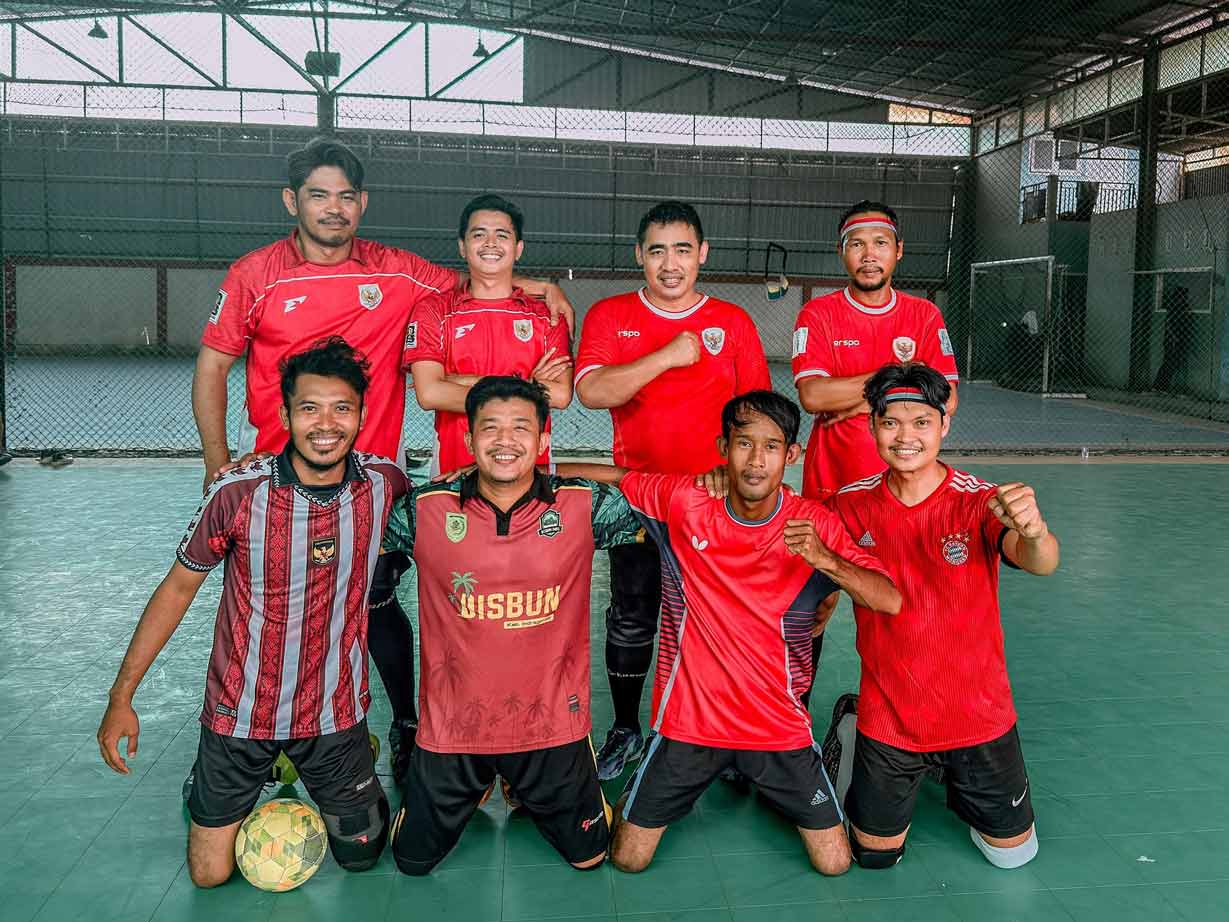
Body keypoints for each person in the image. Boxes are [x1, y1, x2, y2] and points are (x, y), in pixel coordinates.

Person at [191, 136, 574, 778]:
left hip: (369, 483)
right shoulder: (254, 275)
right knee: (266, 608)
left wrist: (536, 286)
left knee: (372, 600)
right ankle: (246, 740)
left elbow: (474, 278)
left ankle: (400, 723)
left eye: (346, 197)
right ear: (293, 201)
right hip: (279, 479)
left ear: (362, 204)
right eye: (319, 195)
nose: (333, 208)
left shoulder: (397, 271)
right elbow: (212, 365)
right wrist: (215, 458)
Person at [97, 338, 408, 887]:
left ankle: (330, 762)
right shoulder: (238, 493)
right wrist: (122, 697)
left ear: (362, 414)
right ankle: (211, 781)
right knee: (209, 876)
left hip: (334, 714)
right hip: (240, 714)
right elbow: (175, 592)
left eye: (342, 407)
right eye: (309, 408)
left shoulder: (384, 484)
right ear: (284, 413)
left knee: (362, 856)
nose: (326, 423)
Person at [560, 390, 901, 876]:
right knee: (629, 859)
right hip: (688, 724)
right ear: (723, 447)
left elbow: (888, 599)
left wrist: (826, 562)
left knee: (835, 864)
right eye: (744, 444)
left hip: (778, 726)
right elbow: (614, 477)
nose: (756, 460)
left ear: (791, 455)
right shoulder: (685, 502)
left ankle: (839, 737)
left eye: (770, 447)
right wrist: (518, 469)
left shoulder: (816, 523)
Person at [383, 376, 644, 875]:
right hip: (452, 732)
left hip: (552, 726)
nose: (505, 441)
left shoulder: (587, 505)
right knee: (412, 862)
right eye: (491, 429)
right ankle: (473, 784)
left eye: (521, 428)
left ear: (544, 440)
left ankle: (545, 786)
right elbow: (354, 545)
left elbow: (654, 503)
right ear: (469, 439)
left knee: (589, 858)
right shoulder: (423, 509)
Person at [824, 363, 1059, 871]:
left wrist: (1037, 533)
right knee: (872, 856)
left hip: (978, 713)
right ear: (871, 426)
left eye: (922, 422)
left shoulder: (979, 501)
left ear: (944, 425)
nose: (906, 436)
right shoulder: (850, 503)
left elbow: (1041, 561)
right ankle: (852, 727)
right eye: (890, 423)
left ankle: (964, 786)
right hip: (892, 713)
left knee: (1015, 859)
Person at [574, 200, 771, 780]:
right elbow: (594, 391)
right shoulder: (611, 315)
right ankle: (628, 729)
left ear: (702, 254)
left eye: (682, 250)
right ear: (639, 255)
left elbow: (757, 415)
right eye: (657, 250)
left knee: (721, 620)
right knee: (632, 614)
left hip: (718, 503)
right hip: (638, 495)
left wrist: (735, 475)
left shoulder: (733, 322)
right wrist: (668, 354)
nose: (670, 263)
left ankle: (726, 732)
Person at [790, 199, 961, 696]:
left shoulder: (924, 315)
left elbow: (946, 399)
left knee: (905, 604)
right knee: (814, 603)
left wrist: (855, 397)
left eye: (880, 243)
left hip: (907, 494)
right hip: (832, 487)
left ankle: (910, 716)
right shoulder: (818, 313)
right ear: (842, 253)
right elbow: (813, 395)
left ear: (898, 251)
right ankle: (793, 715)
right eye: (857, 244)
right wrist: (893, 382)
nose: (870, 254)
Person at [404, 193, 573, 478]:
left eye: (502, 235)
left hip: (530, 467)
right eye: (479, 234)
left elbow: (560, 394)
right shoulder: (433, 311)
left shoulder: (548, 316)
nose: (491, 243)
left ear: (518, 248)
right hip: (452, 463)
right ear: (462, 246)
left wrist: (462, 381)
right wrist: (528, 385)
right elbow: (430, 393)